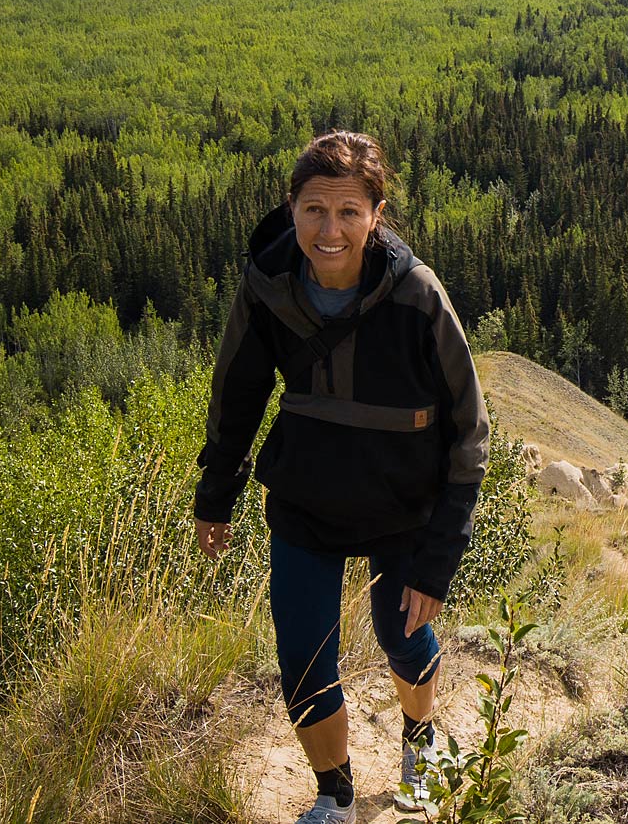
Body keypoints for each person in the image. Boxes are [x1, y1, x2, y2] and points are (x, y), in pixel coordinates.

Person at [193, 130, 489, 823]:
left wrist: (438, 557)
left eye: (349, 212)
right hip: (306, 502)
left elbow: (469, 431)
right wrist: (216, 497)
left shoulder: (418, 295)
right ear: (291, 208)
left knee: (402, 635)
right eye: (314, 210)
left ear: (376, 214)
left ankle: (420, 738)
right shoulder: (267, 288)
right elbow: (236, 394)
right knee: (301, 659)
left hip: (401, 509)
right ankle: (337, 792)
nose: (330, 230)